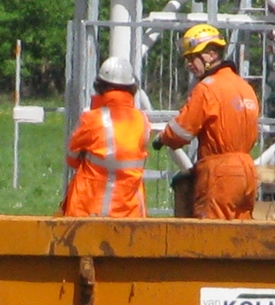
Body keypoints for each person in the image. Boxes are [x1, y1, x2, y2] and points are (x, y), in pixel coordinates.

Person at [152, 24, 260, 219]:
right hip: (247, 171)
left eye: (193, 57)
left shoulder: (207, 88)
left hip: (220, 173)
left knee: (211, 238)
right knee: (242, 236)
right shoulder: (244, 87)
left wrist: (163, 138)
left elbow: (182, 131)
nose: (189, 64)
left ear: (211, 54)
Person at [60, 56, 151, 217]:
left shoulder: (91, 119)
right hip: (131, 211)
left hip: (90, 209)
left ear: (99, 86)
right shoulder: (142, 119)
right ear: (131, 88)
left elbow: (72, 158)